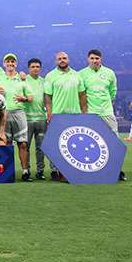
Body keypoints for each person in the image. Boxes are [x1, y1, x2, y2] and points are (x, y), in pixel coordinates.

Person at [78, 49, 124, 181]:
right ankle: (91, 170)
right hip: (91, 114)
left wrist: (105, 104)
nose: (94, 60)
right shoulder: (81, 74)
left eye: (97, 58)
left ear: (101, 59)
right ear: (88, 59)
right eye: (92, 58)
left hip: (107, 112)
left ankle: (116, 169)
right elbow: (81, 94)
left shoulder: (109, 73)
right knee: (90, 142)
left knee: (114, 141)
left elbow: (112, 91)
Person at [44, 51, 86, 181]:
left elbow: (82, 96)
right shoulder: (50, 76)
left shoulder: (77, 75)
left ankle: (76, 172)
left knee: (76, 145)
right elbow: (47, 97)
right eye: (59, 59)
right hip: (58, 116)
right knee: (60, 147)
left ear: (68, 59)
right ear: (56, 61)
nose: (62, 60)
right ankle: (62, 173)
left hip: (75, 115)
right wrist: (49, 113)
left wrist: (85, 113)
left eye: (64, 58)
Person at [0, 53, 32, 181]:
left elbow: (30, 97)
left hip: (19, 113)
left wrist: (24, 98)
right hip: (4, 113)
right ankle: (8, 171)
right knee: (7, 142)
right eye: (8, 62)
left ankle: (25, 171)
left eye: (12, 62)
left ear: (16, 64)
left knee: (22, 143)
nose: (10, 64)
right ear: (4, 64)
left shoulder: (22, 79)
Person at [24, 58, 49, 180]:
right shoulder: (23, 80)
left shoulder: (44, 82)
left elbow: (48, 100)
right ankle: (26, 170)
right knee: (26, 146)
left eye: (37, 66)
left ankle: (40, 171)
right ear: (29, 68)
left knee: (41, 147)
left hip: (41, 119)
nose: (35, 68)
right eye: (33, 66)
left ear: (40, 68)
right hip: (27, 119)